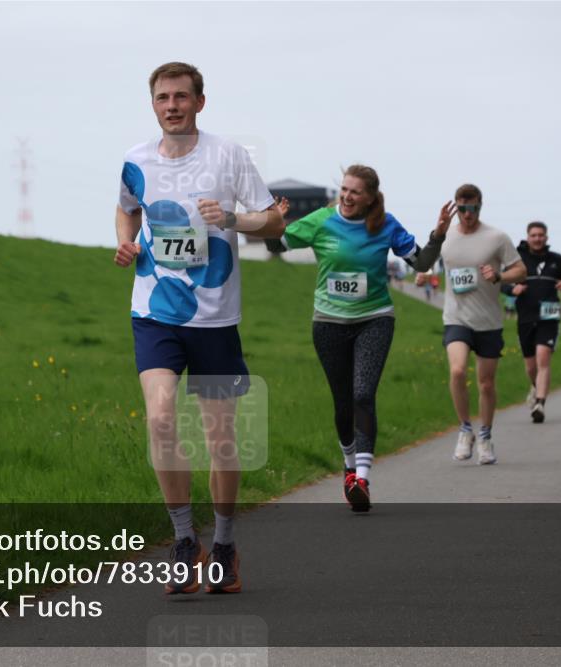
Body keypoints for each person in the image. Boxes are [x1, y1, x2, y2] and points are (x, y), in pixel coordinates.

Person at [114, 62, 283, 595]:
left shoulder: (229, 156)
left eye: (181, 96)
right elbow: (127, 210)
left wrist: (229, 220)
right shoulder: (135, 160)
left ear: (200, 102)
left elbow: (272, 220)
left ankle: (226, 544)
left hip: (214, 319)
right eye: (163, 97)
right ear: (154, 104)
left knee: (220, 439)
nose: (172, 106)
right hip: (154, 312)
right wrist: (126, 240)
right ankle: (186, 541)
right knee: (161, 418)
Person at [276, 165, 449, 512]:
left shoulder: (386, 224)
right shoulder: (322, 220)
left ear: (370, 197)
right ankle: (349, 466)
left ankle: (362, 478)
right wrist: (274, 220)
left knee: (362, 394)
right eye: (344, 189)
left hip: (374, 319)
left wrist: (438, 236)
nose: (347, 196)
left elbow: (421, 264)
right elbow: (276, 244)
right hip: (328, 323)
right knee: (342, 402)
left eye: (355, 192)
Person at [440, 184, 526, 464]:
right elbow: (430, 258)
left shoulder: (496, 237)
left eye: (473, 208)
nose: (467, 214)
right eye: (462, 208)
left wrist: (499, 276)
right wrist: (421, 273)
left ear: (480, 206)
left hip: (488, 321)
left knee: (486, 384)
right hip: (456, 317)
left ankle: (485, 435)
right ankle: (465, 429)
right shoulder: (447, 235)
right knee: (456, 371)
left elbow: (521, 269)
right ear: (456, 207)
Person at [499, 222, 561, 423]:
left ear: (546, 237)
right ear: (528, 237)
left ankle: (540, 403)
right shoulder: (517, 259)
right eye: (534, 235)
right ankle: (535, 386)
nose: (538, 238)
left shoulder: (557, 260)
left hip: (549, 316)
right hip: (526, 317)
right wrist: (512, 290)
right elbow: (501, 282)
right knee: (531, 367)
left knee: (543, 357)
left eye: (541, 235)